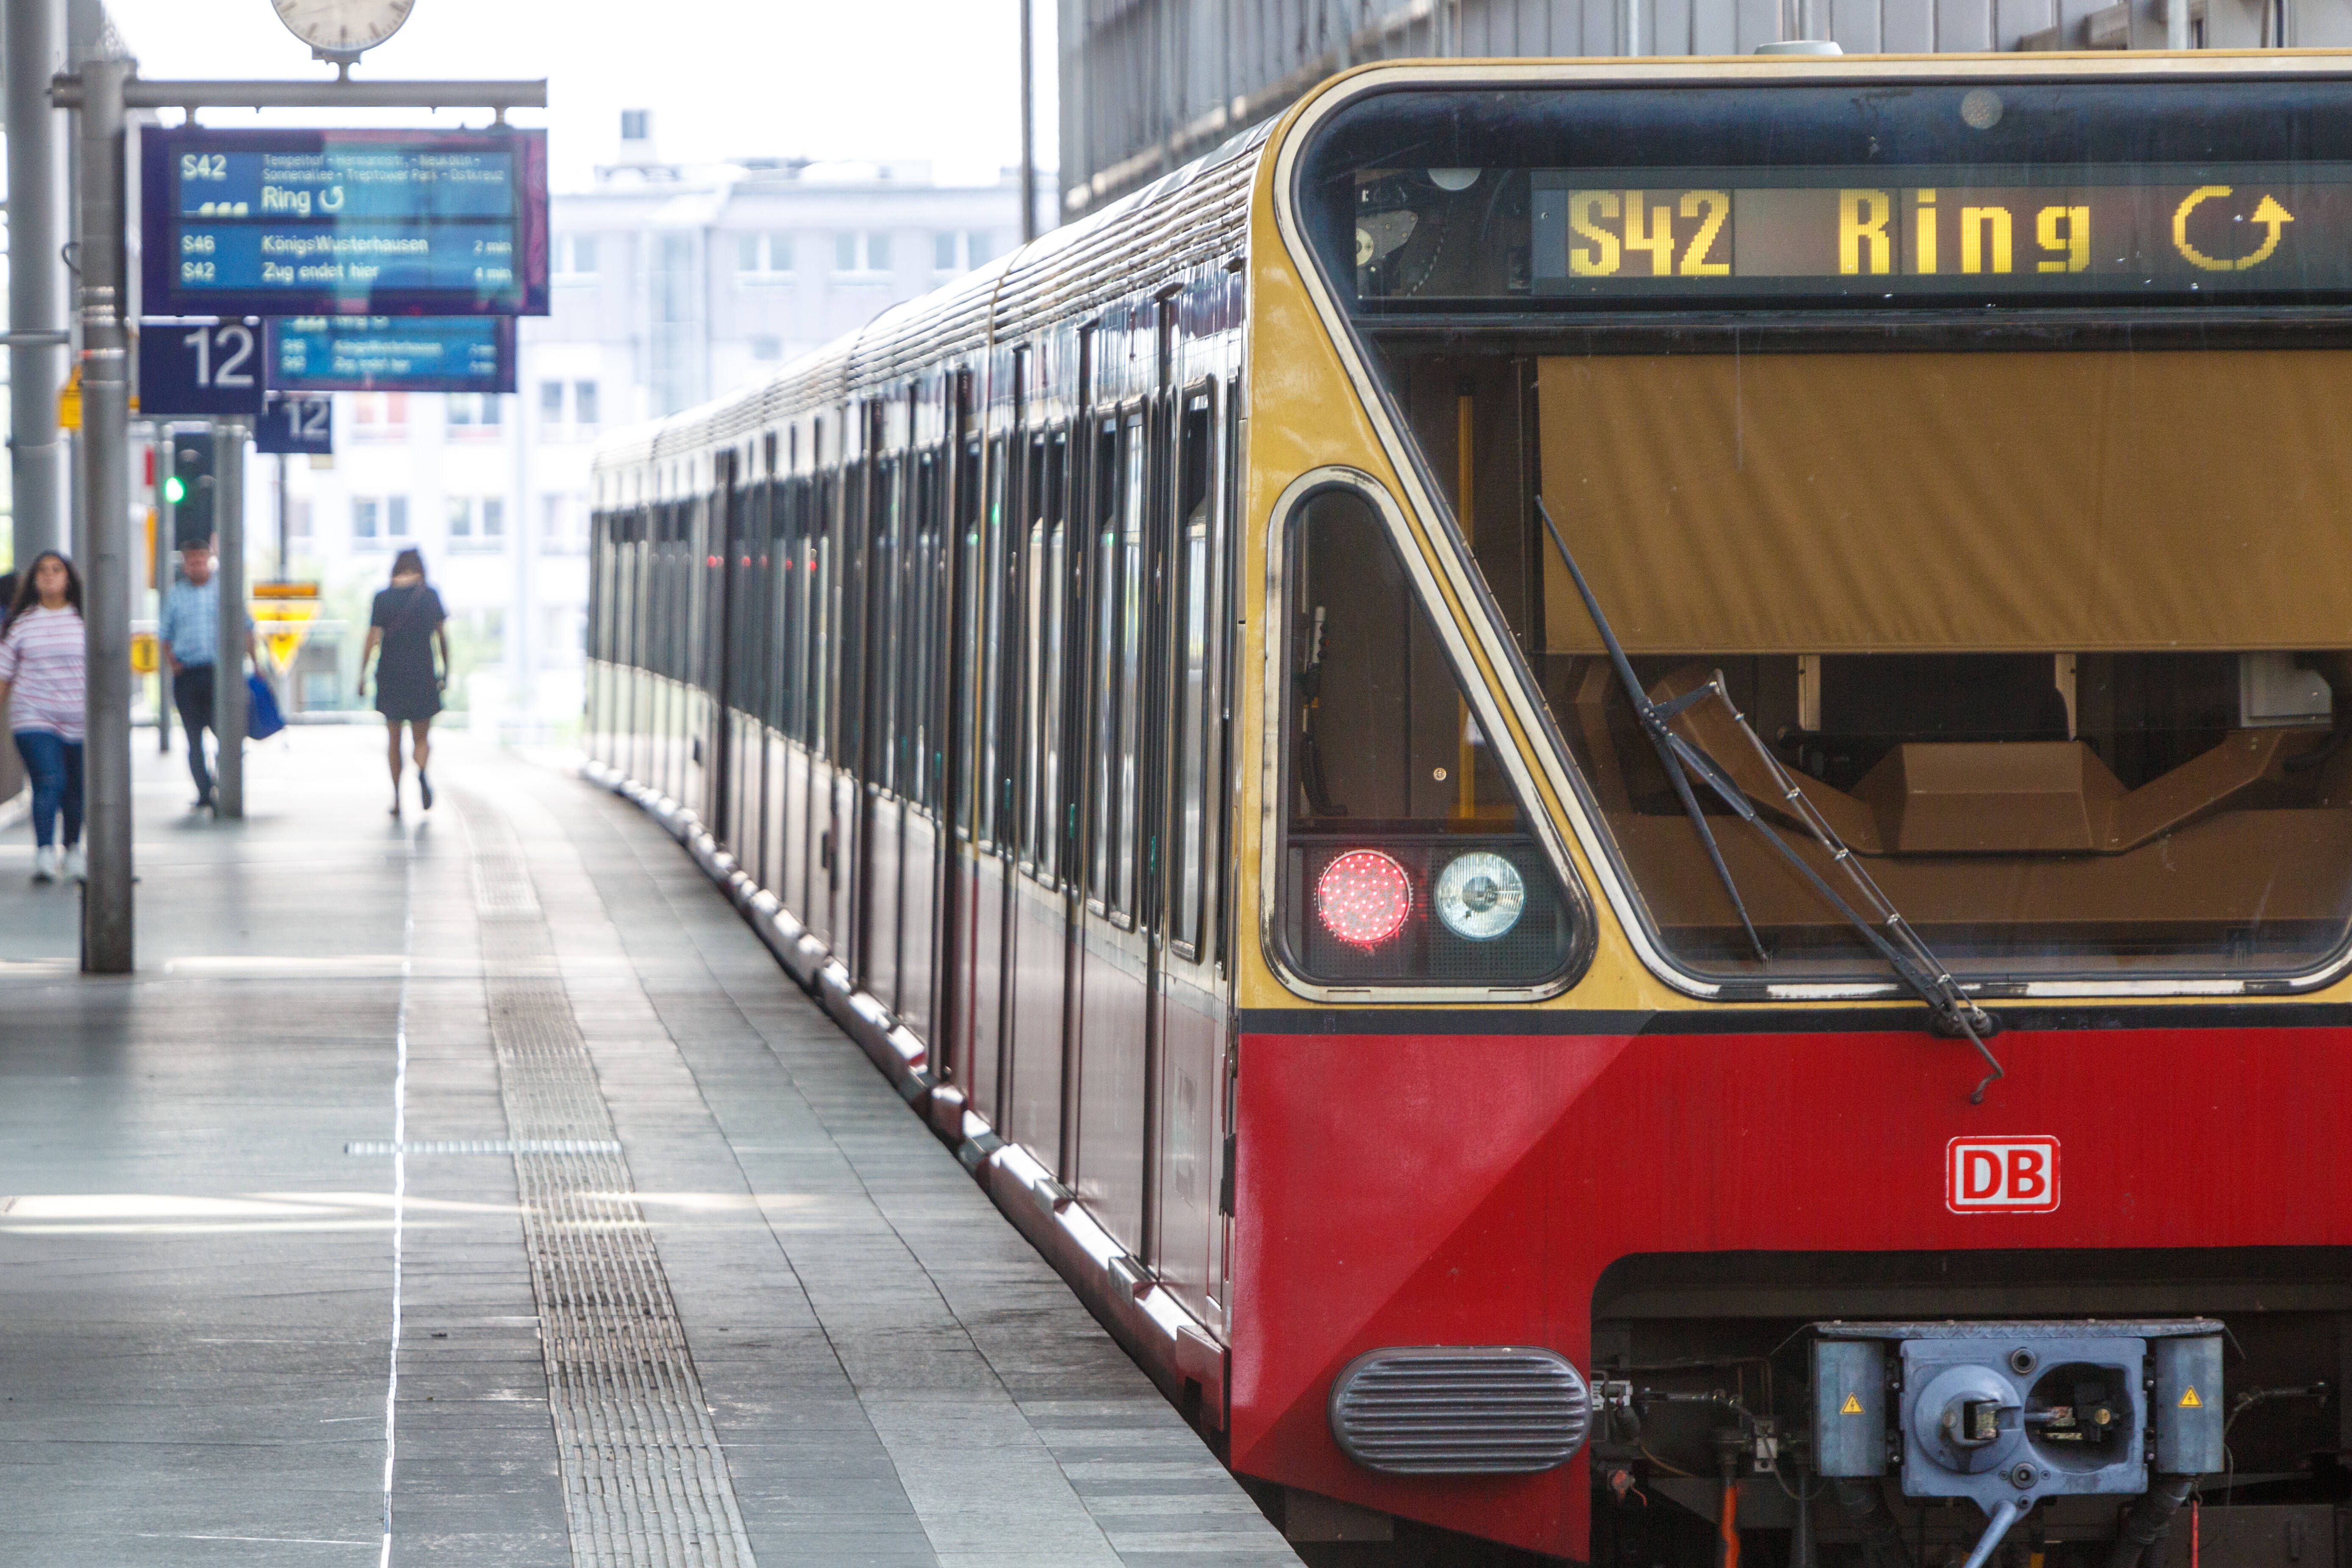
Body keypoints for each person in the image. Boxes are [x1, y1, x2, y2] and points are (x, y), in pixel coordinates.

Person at [0, 552, 87, 882]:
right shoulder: (21, 623)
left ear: (68, 578)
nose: (50, 576)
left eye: (57, 570)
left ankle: (74, 849)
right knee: (49, 780)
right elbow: (4, 675)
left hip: (78, 717)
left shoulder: (84, 620)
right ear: (34, 581)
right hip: (33, 716)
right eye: (42, 572)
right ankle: (44, 853)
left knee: (76, 787)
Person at [156, 537, 254, 812]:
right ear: (185, 564)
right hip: (188, 674)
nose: (196, 564)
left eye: (201, 558)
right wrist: (174, 664)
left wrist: (252, 664)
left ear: (209, 558)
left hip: (219, 674)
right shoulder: (176, 595)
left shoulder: (224, 592)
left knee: (227, 732)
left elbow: (247, 627)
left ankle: (227, 783)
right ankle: (203, 790)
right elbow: (164, 635)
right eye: (191, 560)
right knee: (193, 736)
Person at [358, 548, 449, 815]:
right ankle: (421, 770)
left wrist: (362, 675)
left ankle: (397, 799)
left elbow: (372, 638)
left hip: (390, 674)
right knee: (422, 738)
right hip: (422, 672)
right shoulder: (430, 596)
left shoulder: (383, 598)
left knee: (394, 739)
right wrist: (446, 669)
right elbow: (442, 638)